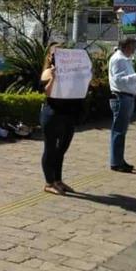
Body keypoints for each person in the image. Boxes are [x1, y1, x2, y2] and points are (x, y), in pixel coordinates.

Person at [38, 43, 83, 195]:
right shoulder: (48, 72)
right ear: (50, 57)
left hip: (67, 113)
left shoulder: (71, 72)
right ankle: (49, 182)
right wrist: (54, 77)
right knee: (50, 148)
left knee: (61, 149)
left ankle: (58, 180)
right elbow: (47, 92)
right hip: (52, 114)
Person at [108, 37, 136, 173]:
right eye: (133, 46)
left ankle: (119, 159)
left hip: (126, 97)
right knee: (119, 131)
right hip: (121, 97)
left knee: (121, 131)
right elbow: (118, 80)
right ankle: (116, 161)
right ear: (126, 46)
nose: (134, 49)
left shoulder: (125, 59)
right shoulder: (119, 59)